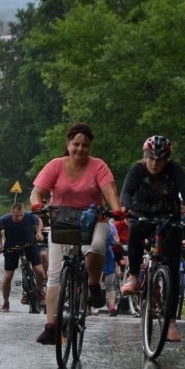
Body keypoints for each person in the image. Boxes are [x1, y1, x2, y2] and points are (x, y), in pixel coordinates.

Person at [29, 122, 123, 345]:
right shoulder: (55, 166)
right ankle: (51, 327)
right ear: (68, 144)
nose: (80, 149)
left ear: (90, 147)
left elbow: (110, 191)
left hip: (94, 220)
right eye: (76, 144)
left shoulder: (98, 166)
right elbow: (37, 192)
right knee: (54, 274)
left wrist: (116, 209)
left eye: (85, 145)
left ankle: (93, 284)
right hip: (63, 221)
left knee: (97, 246)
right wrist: (37, 205)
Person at [119, 135, 185, 342]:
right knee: (135, 228)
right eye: (151, 158)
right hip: (143, 215)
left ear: (166, 160)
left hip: (169, 219)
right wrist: (126, 205)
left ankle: (171, 323)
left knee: (173, 271)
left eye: (159, 159)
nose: (154, 163)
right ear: (145, 156)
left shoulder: (174, 171)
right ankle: (134, 276)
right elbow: (127, 191)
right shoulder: (137, 169)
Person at [0, 202, 46, 312]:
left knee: (39, 271)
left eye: (21, 215)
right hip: (12, 248)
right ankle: (5, 302)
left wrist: (38, 232)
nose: (19, 217)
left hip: (29, 245)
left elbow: (39, 221)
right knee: (8, 275)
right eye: (16, 215)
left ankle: (40, 291)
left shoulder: (29, 216)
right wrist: (0, 244)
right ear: (11, 213)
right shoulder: (4, 220)